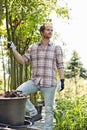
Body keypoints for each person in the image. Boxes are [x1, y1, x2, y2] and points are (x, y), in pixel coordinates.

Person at [8, 23, 64, 130]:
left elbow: (60, 65)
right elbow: (23, 60)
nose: (50, 32)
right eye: (48, 30)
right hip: (35, 80)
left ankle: (48, 128)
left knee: (49, 109)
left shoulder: (56, 48)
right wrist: (14, 50)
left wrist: (62, 80)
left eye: (51, 30)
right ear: (42, 32)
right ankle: (33, 112)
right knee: (18, 93)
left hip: (49, 82)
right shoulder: (33, 47)